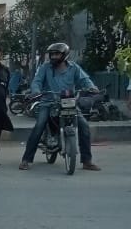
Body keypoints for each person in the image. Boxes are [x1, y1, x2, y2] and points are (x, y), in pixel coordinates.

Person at [19, 42, 101, 172]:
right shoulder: (45, 68)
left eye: (57, 54)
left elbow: (85, 80)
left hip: (69, 102)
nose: (53, 57)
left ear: (64, 55)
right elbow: (37, 81)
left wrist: (92, 87)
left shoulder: (74, 68)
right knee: (39, 125)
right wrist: (36, 90)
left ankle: (87, 161)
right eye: (52, 54)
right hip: (48, 102)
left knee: (84, 126)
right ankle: (26, 160)